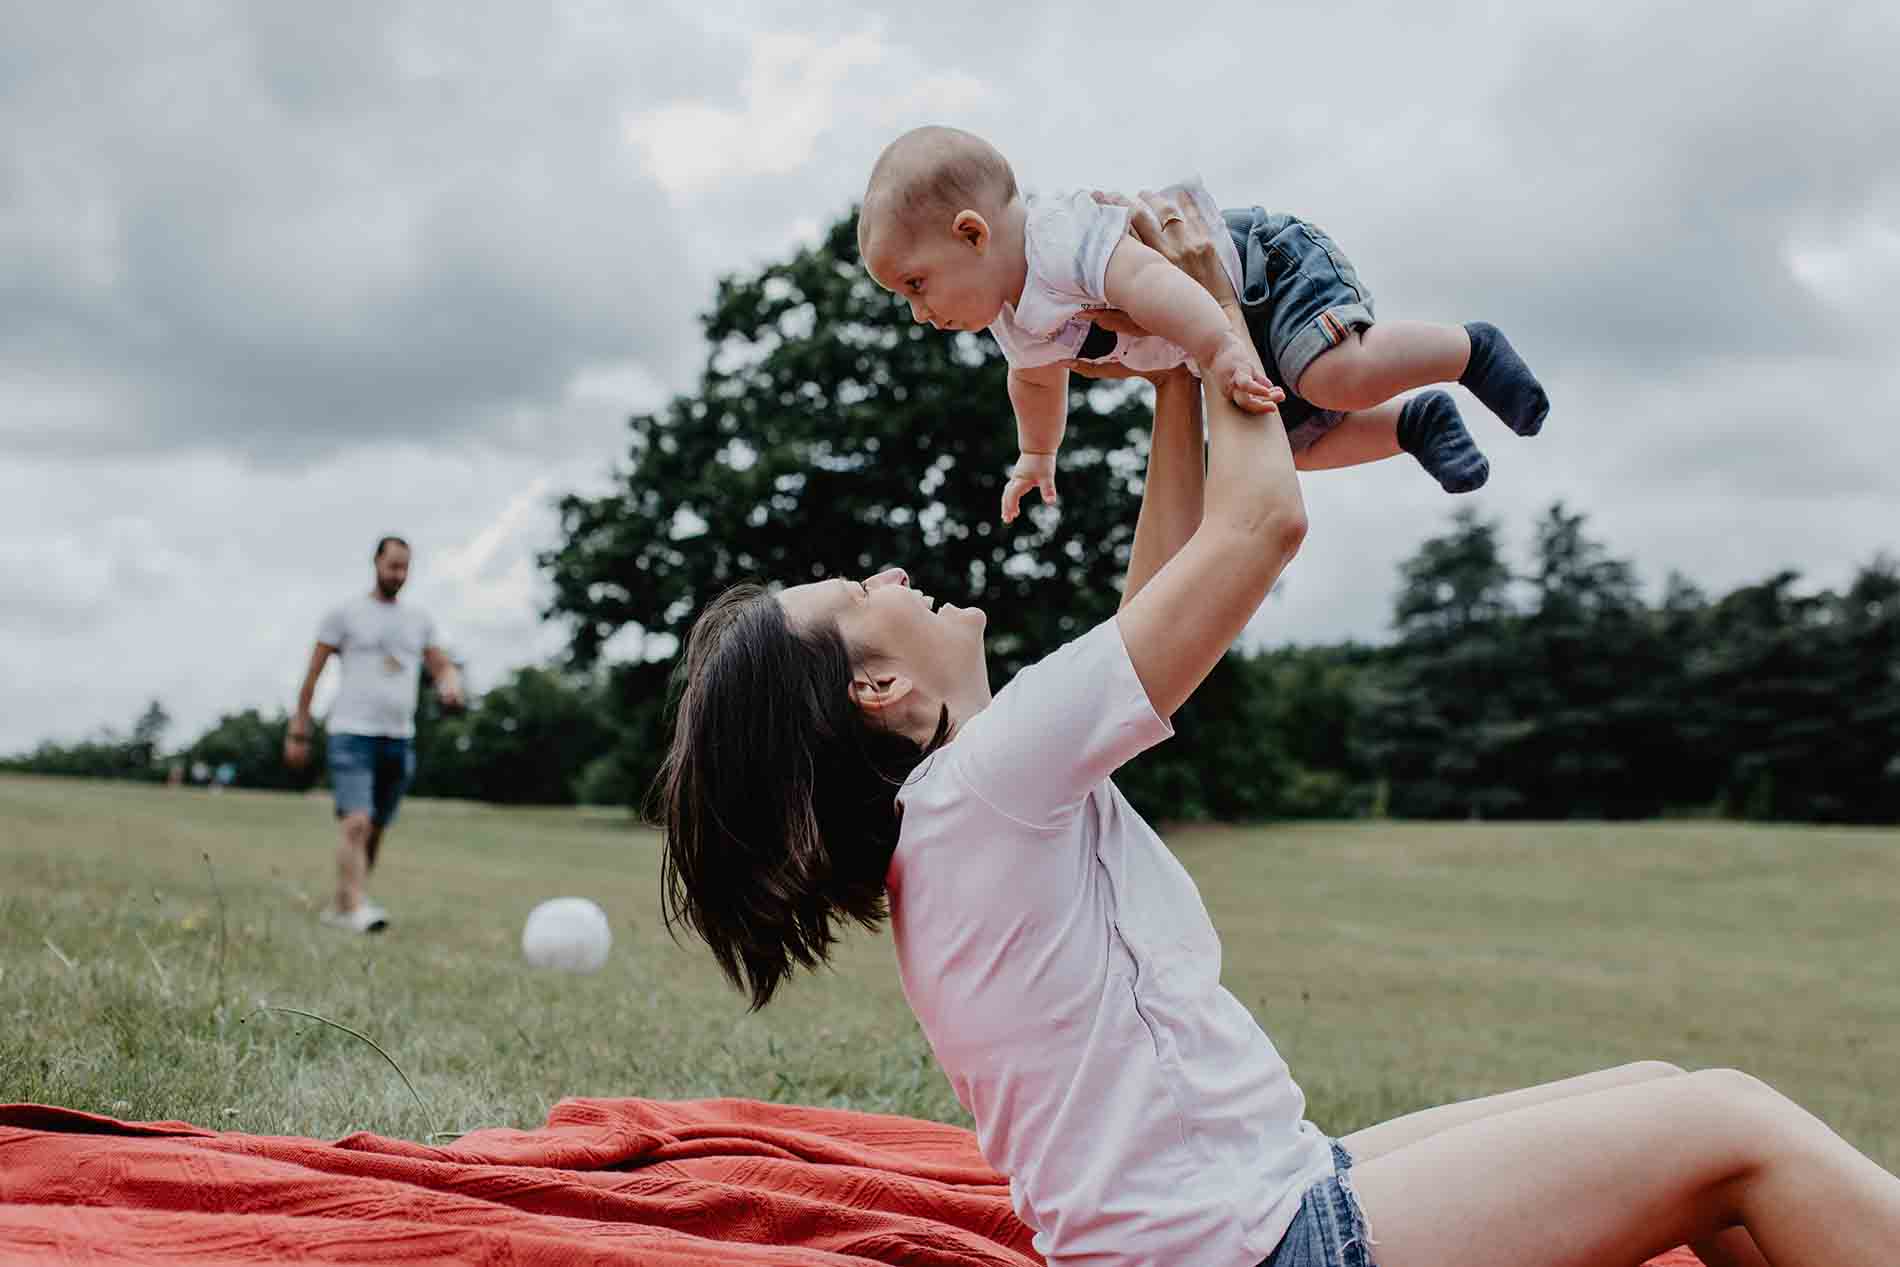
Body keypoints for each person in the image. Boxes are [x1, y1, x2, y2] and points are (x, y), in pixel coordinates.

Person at [656, 195, 1899, 1267]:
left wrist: (1172, 390)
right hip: (1258, 1243)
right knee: (1730, 1123)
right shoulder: (988, 781)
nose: (885, 574)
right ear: (873, 692)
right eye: (857, 598)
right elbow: (1258, 532)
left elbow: (1161, 593)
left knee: (1656, 1097)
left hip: (1256, 1201)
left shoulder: (975, 800)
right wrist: (1215, 317)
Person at [858, 125, 1550, 520]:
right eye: (905, 299)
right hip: (1222, 333)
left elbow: (1155, 282)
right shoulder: (1013, 319)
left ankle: (1468, 350)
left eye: (916, 284)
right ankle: (1415, 424)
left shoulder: (1057, 237)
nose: (919, 312)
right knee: (1292, 451)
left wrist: (1220, 348)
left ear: (973, 233)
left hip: (1260, 273)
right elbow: (1036, 386)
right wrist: (1037, 454)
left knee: (1335, 375)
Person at [284, 536, 462, 934]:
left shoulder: (419, 620)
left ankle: (345, 903)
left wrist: (452, 685)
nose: (398, 575)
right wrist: (299, 728)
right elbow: (312, 674)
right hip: (352, 732)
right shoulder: (344, 615)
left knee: (376, 828)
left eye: (405, 568)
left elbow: (442, 666)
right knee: (357, 823)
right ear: (376, 563)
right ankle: (355, 909)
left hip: (398, 737)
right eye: (392, 566)